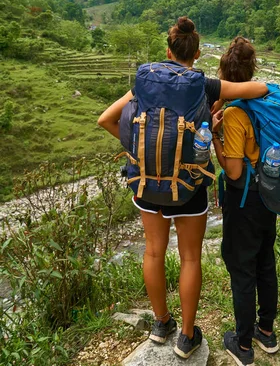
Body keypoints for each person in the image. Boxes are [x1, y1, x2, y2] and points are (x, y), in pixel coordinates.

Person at [98, 18, 268, 360]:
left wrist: (139, 153)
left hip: (146, 185)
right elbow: (257, 89)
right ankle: (187, 337)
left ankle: (161, 324)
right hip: (190, 187)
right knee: (190, 257)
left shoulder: (144, 82)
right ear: (198, 53)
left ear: (168, 50)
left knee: (153, 252)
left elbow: (105, 119)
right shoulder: (203, 84)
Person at [212, 36, 279, 366]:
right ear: (252, 69)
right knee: (265, 261)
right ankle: (266, 332)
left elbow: (234, 172)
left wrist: (215, 137)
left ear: (224, 74)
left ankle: (241, 344)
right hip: (269, 194)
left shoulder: (236, 113)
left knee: (241, 267)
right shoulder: (264, 98)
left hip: (244, 200)